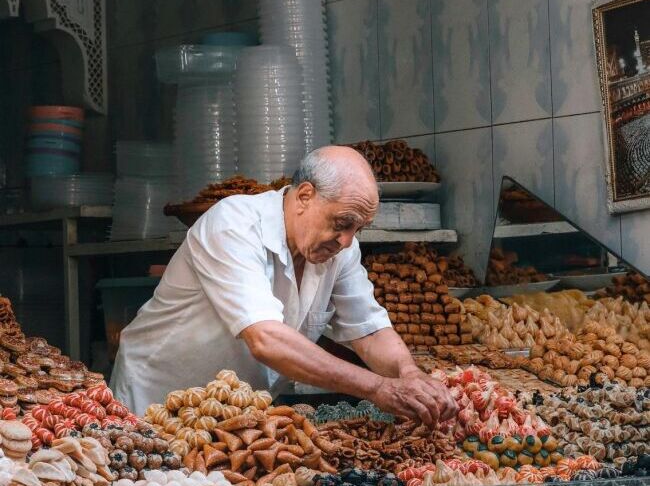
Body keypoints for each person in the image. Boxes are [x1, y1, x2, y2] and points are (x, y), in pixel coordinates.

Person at [111, 146, 457, 425]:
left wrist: (409, 374)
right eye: (343, 223)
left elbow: (368, 330)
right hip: (156, 400)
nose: (348, 241)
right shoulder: (233, 225)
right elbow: (266, 340)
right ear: (305, 195)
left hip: (236, 411)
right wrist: (379, 388)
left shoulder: (338, 250)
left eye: (358, 229)